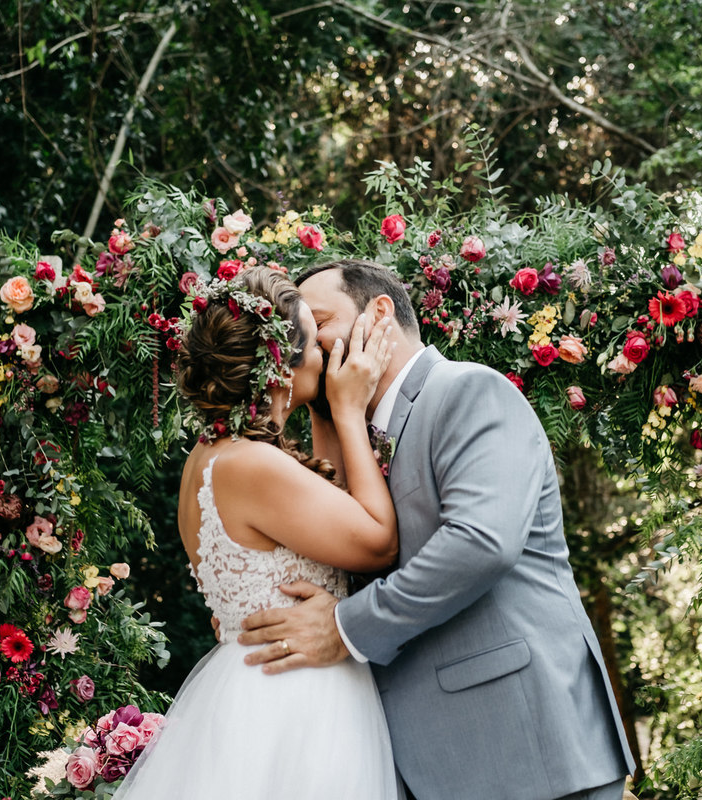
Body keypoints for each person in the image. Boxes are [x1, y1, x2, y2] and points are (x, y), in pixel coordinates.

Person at [238, 259, 636, 800]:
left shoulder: (468, 391)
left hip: (523, 745)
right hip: (422, 761)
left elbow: (481, 544)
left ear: (379, 314)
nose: (303, 341)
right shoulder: (345, 434)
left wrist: (345, 628)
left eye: (320, 320)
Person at [113, 267, 402, 798]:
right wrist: (350, 410)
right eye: (314, 344)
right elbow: (378, 541)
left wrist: (321, 413)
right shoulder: (251, 466)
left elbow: (328, 501)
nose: (325, 354)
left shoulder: (213, 455)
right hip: (293, 701)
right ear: (280, 369)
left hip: (251, 687)